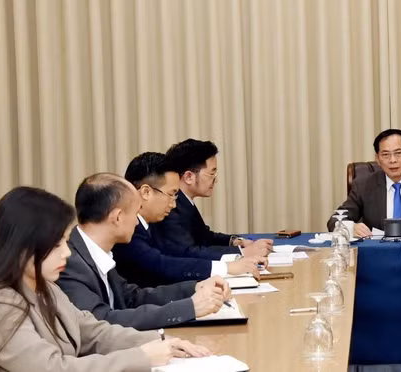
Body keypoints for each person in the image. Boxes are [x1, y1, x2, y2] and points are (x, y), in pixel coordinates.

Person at [0, 187, 211, 371]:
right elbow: (53, 368)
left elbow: (93, 332)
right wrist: (141, 357)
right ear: (23, 245)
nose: (66, 252)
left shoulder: (45, 287)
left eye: (65, 242)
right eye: (57, 244)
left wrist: (163, 342)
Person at [57, 173, 230, 330]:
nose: (137, 223)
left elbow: (132, 297)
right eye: (135, 213)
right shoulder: (69, 262)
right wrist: (189, 307)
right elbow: (102, 321)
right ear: (117, 217)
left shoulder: (95, 251)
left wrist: (194, 288)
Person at [114, 152, 263, 287]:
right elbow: (161, 264)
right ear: (146, 192)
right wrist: (227, 267)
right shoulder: (127, 231)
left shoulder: (150, 224)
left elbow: (176, 258)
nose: (173, 204)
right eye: (171, 194)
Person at [155, 139, 272, 260]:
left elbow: (204, 237)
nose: (215, 180)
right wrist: (242, 253)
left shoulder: (184, 200)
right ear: (189, 177)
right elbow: (188, 252)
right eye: (211, 174)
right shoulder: (170, 206)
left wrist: (236, 242)